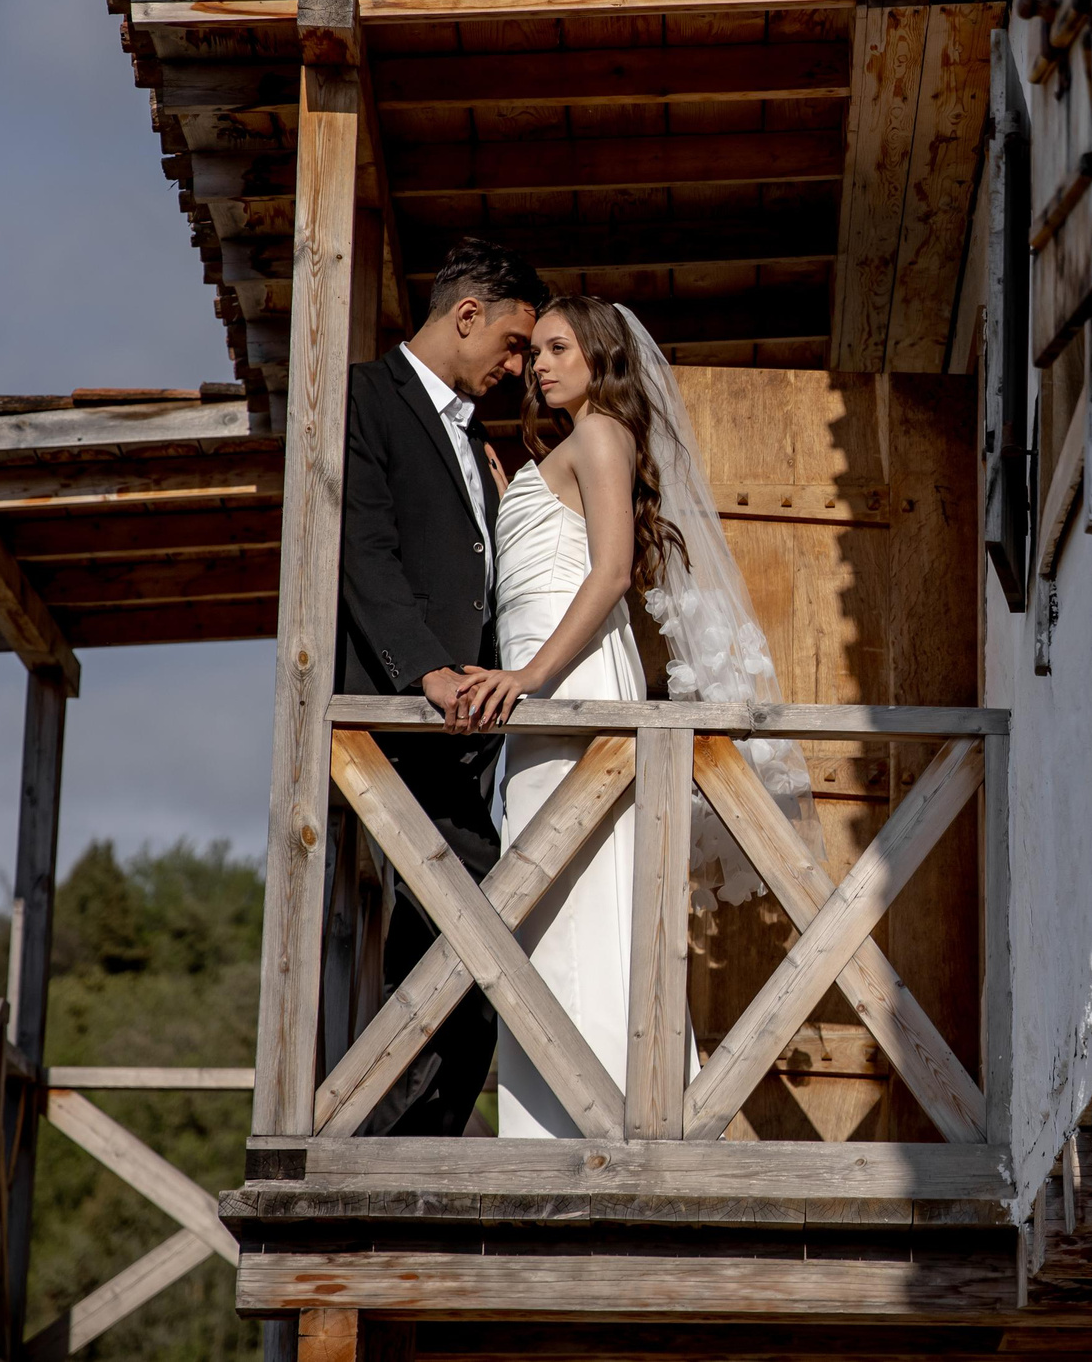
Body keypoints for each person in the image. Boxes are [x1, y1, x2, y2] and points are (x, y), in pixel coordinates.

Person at [454, 296, 817, 1139]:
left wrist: (531, 676)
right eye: (535, 350)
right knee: (544, 900)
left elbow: (612, 572)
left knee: (587, 891)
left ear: (601, 356)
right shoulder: (563, 448)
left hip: (569, 687)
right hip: (535, 709)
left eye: (557, 347)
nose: (538, 364)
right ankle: (552, 1119)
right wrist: (517, 501)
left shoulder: (605, 434)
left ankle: (612, 1119)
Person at [334, 236, 546, 1135]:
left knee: (465, 929)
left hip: (472, 734)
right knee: (467, 925)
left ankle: (416, 1136)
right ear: (467, 316)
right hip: (407, 719)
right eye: (512, 343)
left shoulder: (476, 438)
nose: (518, 366)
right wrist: (426, 672)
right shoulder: (359, 398)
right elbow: (364, 548)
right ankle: (401, 1140)